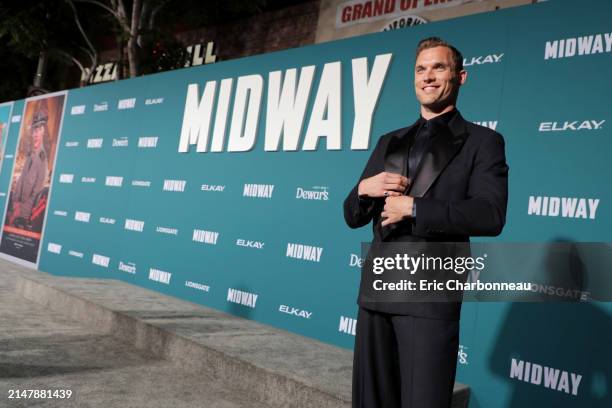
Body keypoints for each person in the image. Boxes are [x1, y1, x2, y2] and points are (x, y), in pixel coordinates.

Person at [343, 37, 509, 408]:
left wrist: (416, 209)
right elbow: (353, 216)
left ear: (460, 76)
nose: (428, 77)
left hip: (429, 294)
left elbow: (490, 214)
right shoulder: (390, 140)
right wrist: (363, 189)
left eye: (439, 67)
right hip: (377, 290)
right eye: (421, 69)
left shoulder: (483, 142)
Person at [9, 107, 49, 229]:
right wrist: (15, 201)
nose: (35, 134)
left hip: (24, 215)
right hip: (17, 208)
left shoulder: (42, 158)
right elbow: (22, 179)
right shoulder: (31, 154)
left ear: (43, 131)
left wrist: (22, 212)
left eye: (38, 130)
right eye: (34, 131)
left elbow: (37, 191)